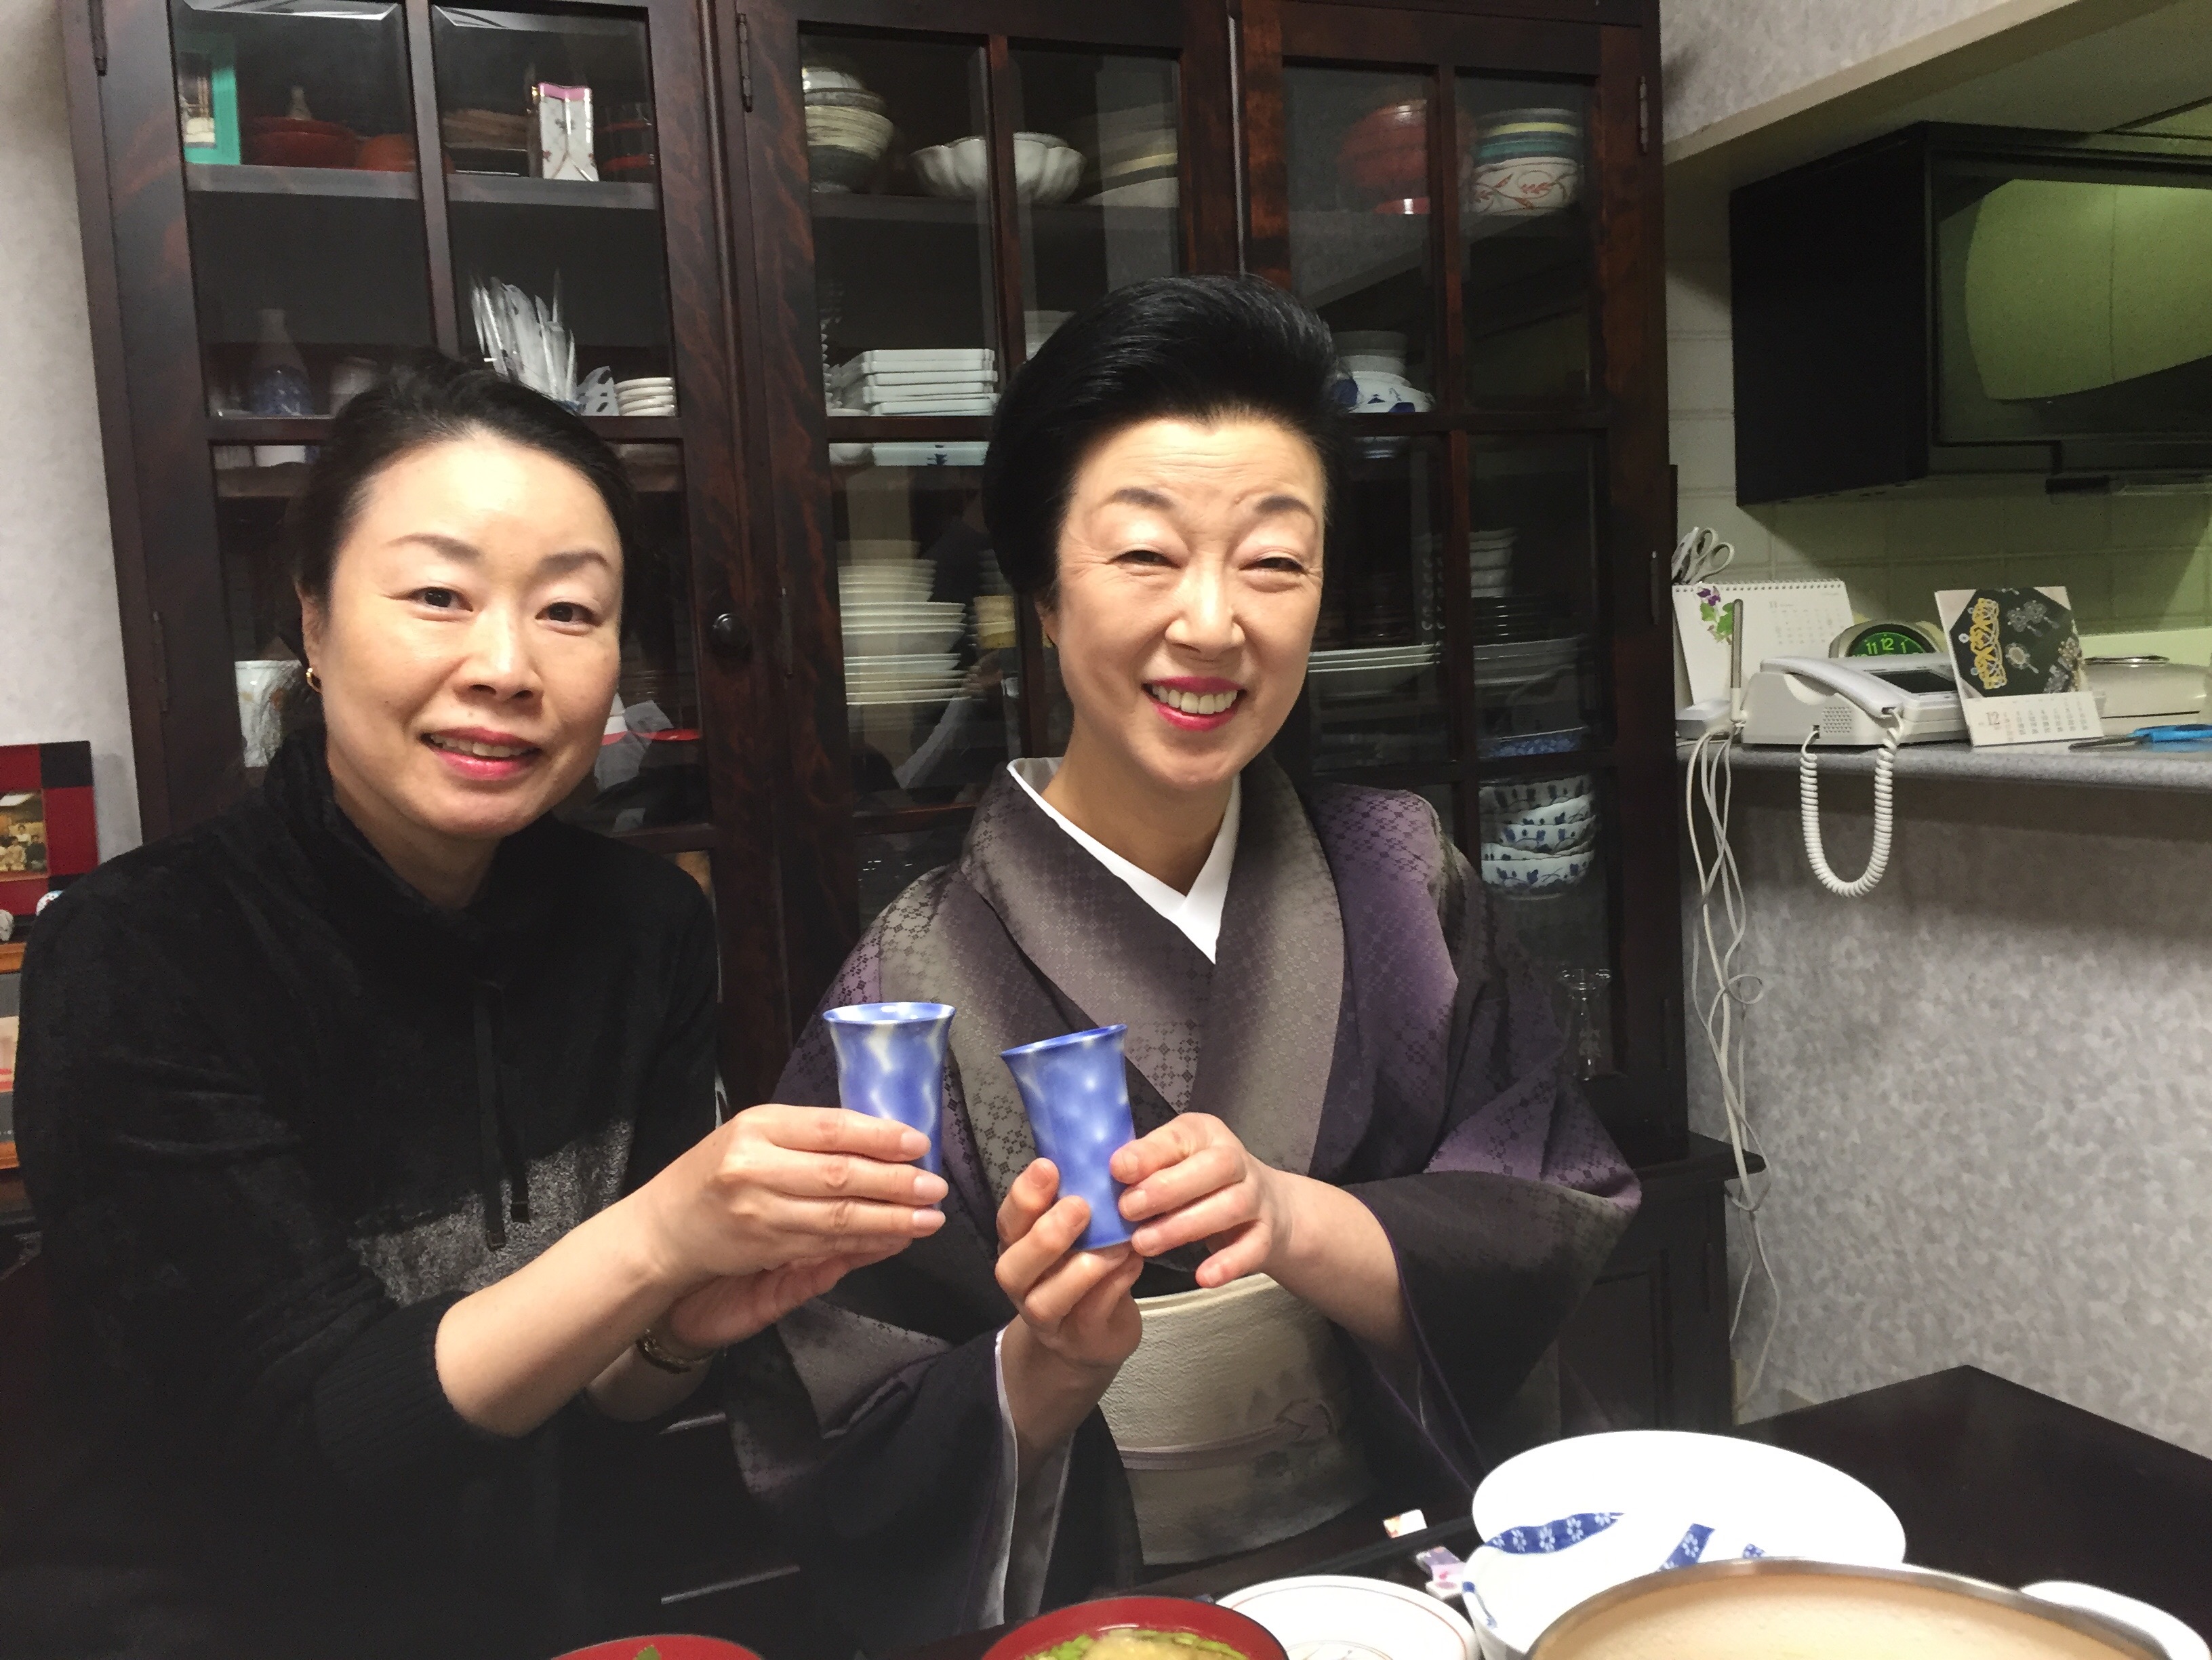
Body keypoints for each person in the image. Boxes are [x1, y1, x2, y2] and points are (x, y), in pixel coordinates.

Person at [728, 276, 1641, 1654]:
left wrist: (1297, 1220)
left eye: (1273, 562)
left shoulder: (1401, 874)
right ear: (1043, 593)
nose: (1213, 623)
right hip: (1107, 1612)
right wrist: (1043, 1365)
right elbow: (830, 1404)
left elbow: (1549, 1197)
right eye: (1147, 555)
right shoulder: (907, 987)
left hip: (1403, 1577)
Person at [0, 358, 947, 1659]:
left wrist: (680, 1332)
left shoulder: (644, 928)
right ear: (313, 622)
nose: (506, 666)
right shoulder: (140, 955)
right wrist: (659, 1241)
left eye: (569, 611)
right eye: (439, 595)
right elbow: (313, 1445)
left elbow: (603, 1407)